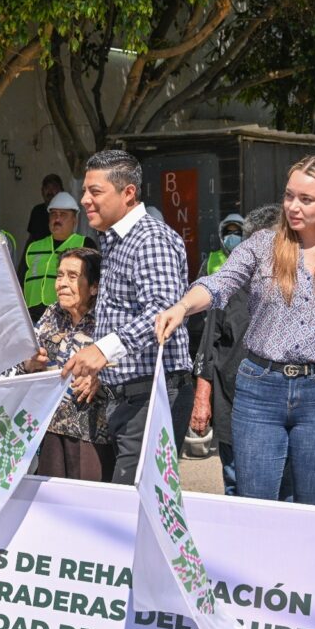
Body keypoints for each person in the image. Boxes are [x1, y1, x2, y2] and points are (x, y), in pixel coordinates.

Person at [156, 155, 315, 507]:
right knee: (253, 504)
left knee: (313, 508)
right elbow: (219, 284)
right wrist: (182, 307)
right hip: (260, 389)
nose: (293, 206)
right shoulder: (261, 247)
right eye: (289, 196)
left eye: (306, 199)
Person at [62, 149, 192, 485]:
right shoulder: (116, 239)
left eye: (95, 192)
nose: (84, 200)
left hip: (152, 395)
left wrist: (102, 351)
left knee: (135, 502)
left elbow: (162, 312)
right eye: (84, 191)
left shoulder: (150, 239)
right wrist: (101, 371)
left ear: (128, 193)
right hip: (127, 396)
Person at [189, 205, 281, 496]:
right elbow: (208, 347)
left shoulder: (297, 285)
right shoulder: (228, 286)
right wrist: (202, 401)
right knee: (235, 482)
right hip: (231, 399)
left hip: (278, 405)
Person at [21, 249, 113, 482]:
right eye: (59, 275)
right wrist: (30, 363)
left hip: (92, 434)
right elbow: (25, 360)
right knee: (52, 501)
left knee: (86, 502)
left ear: (94, 286)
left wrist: (100, 378)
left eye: (72, 277)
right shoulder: (53, 314)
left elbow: (129, 366)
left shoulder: (108, 319)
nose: (61, 284)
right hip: (51, 429)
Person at [21, 191, 97, 322]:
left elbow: (93, 281)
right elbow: (20, 279)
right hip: (31, 316)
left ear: (74, 220)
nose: (57, 219)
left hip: (65, 316)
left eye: (63, 215)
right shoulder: (34, 247)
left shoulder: (84, 244)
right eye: (53, 214)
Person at [24, 173, 64, 250]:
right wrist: (24, 260)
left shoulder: (66, 212)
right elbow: (32, 238)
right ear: (42, 191)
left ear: (61, 191)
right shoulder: (37, 211)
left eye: (54, 187)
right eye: (47, 188)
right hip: (39, 257)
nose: (50, 191)